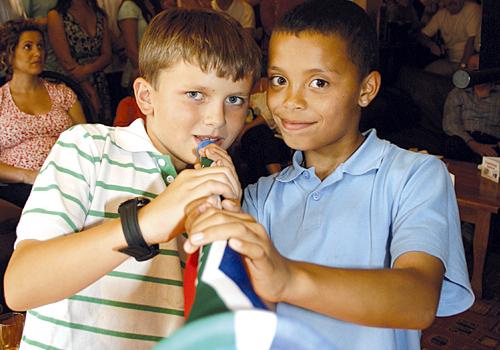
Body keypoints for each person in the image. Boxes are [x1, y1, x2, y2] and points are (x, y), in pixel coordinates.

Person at [183, 1, 474, 349]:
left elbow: (418, 299)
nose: (291, 101)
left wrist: (289, 278)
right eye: (279, 80)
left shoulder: (414, 176)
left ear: (366, 89)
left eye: (318, 82)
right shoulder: (262, 197)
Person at [4, 8, 261, 349]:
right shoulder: (87, 149)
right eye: (195, 94)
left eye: (234, 100)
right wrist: (141, 225)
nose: (217, 119)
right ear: (146, 97)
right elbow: (21, 286)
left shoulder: (226, 188)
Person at [0, 19, 86, 207]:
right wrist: (29, 176)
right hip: (17, 190)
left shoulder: (63, 93)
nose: (37, 53)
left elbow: (87, 141)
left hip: (68, 180)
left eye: (40, 46)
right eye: (28, 47)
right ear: (9, 54)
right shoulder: (1, 99)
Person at [47, 0, 113, 125]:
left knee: (104, 127)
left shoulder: (99, 14)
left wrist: (87, 70)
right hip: (73, 84)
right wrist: (89, 90)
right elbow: (67, 62)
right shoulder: (56, 15)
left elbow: (107, 55)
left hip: (99, 80)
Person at [443, 54, 500, 163]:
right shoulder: (458, 93)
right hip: (465, 140)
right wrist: (474, 145)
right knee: (452, 143)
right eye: (473, 68)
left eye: (480, 68)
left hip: (492, 141)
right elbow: (450, 124)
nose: (477, 71)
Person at [418, 0, 481, 76]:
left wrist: (462, 66)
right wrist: (431, 45)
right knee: (425, 74)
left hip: (472, 62)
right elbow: (422, 35)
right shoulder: (441, 14)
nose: (452, 1)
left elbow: (471, 40)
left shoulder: (472, 8)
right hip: (451, 61)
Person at [118, 0, 163, 90]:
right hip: (140, 75)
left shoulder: (154, 4)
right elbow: (131, 50)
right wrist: (148, 75)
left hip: (157, 71)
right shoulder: (129, 7)